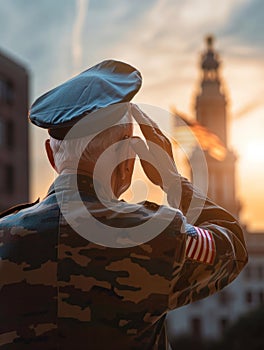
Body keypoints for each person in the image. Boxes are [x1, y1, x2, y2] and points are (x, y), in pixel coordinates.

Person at [0, 60, 248, 350]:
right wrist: (172, 181)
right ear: (127, 159)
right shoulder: (155, 236)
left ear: (51, 158)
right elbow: (231, 245)